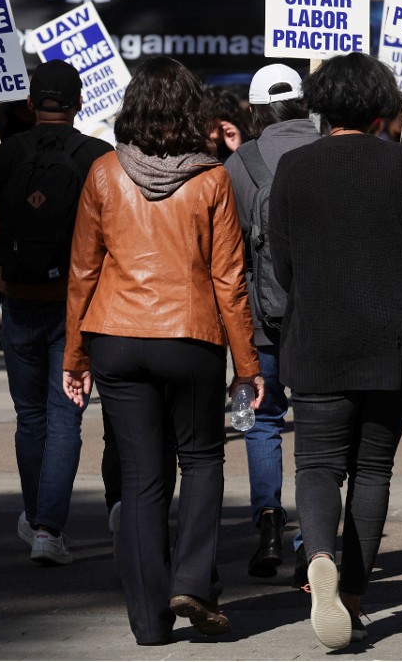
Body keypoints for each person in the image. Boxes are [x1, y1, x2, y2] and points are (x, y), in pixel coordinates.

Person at [63, 56, 262, 644]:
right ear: (188, 111)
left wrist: (74, 358)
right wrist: (247, 366)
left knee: (143, 478)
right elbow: (230, 279)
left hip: (115, 339)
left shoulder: (103, 173)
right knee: (201, 461)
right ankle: (193, 582)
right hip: (189, 336)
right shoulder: (212, 178)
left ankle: (149, 623)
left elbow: (82, 272)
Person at [268, 52, 402, 650]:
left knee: (317, 465)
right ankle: (351, 591)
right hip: (392, 344)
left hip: (318, 339)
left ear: (322, 104)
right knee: (372, 469)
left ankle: (319, 555)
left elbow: (283, 262)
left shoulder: (293, 167)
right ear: (380, 106)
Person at [0, 59, 113, 565]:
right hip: (75, 306)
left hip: (17, 298)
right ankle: (46, 530)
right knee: (65, 418)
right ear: (80, 103)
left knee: (29, 416)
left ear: (32, 103)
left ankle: (37, 517)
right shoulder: (98, 157)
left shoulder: (6, 153)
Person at [223, 62, 315, 578]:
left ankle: (268, 523)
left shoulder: (241, 163)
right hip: (325, 322)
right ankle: (313, 538)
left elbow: (228, 257)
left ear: (255, 111)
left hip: (260, 324)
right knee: (319, 429)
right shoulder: (332, 148)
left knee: (258, 419)